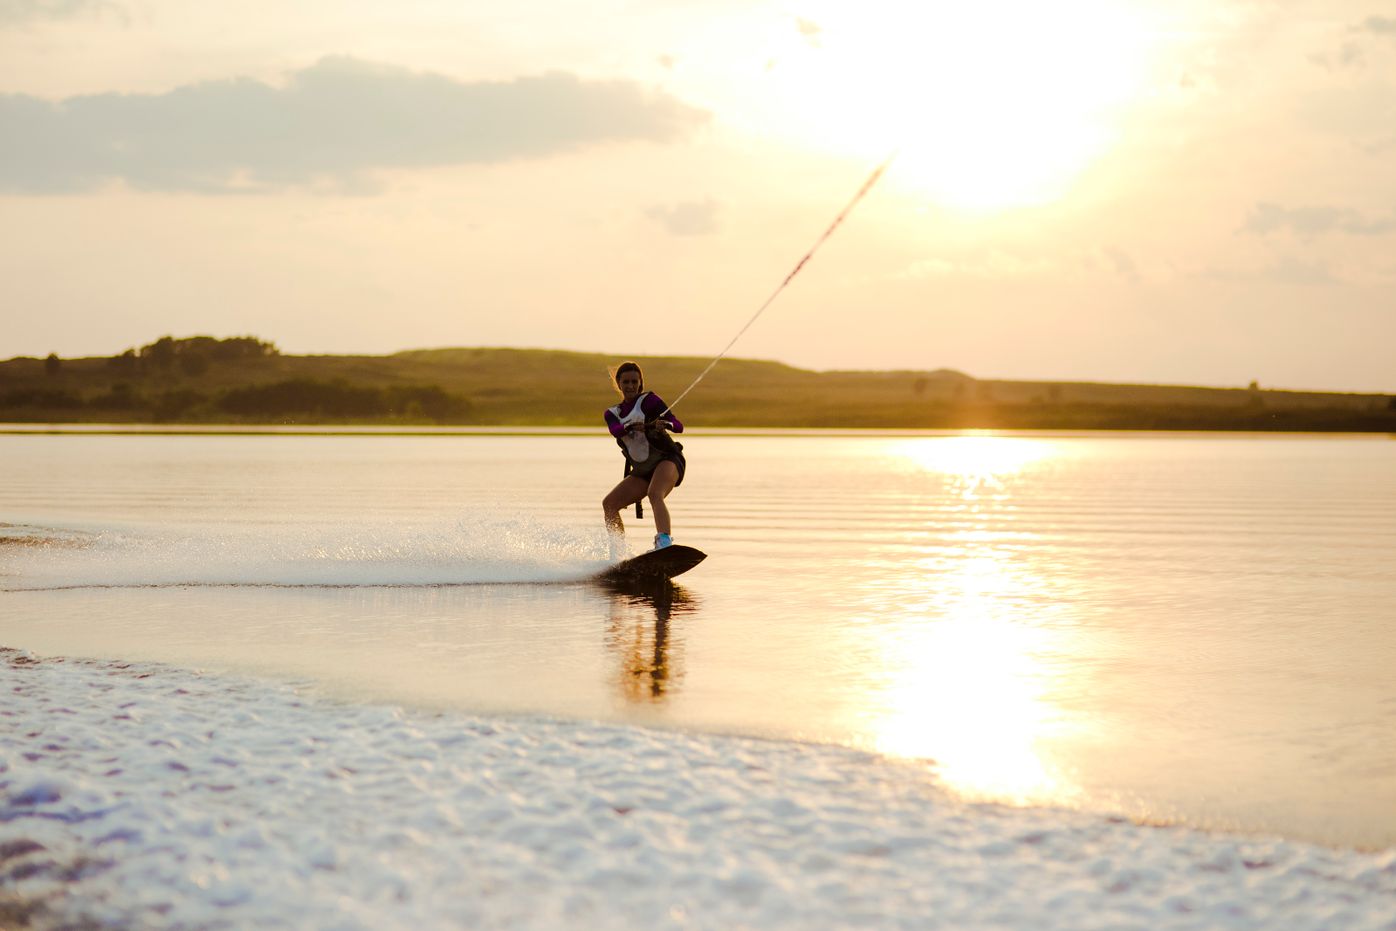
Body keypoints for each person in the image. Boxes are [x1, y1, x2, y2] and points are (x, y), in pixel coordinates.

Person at [602, 361, 685, 555]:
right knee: (609, 504)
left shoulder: (650, 401)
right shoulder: (612, 414)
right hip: (643, 470)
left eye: (634, 382)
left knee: (654, 493)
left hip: (668, 460)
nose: (630, 386)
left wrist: (665, 424)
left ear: (640, 383)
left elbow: (678, 425)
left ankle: (664, 542)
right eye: (626, 382)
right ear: (619, 384)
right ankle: (618, 552)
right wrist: (630, 427)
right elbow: (615, 430)